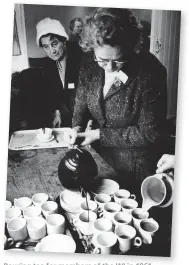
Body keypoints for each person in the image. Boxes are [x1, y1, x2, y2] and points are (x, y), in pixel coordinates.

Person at [69, 8, 168, 195]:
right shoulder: (89, 62)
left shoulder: (151, 72)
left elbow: (151, 133)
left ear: (131, 48)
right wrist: (76, 127)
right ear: (92, 48)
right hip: (101, 160)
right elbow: (81, 100)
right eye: (103, 60)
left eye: (120, 60)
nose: (111, 68)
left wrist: (100, 134)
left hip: (136, 166)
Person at [17, 18, 79, 129]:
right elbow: (54, 93)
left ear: (64, 41)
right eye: (46, 47)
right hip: (66, 112)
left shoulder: (78, 58)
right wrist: (57, 113)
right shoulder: (48, 65)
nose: (52, 51)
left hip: (81, 113)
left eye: (54, 44)